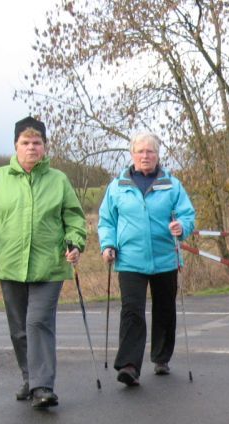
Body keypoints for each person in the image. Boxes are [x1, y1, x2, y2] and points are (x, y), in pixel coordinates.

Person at [0, 116, 86, 409]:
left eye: (37, 142)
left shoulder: (58, 180)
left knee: (38, 321)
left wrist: (75, 242)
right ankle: (29, 377)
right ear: (16, 146)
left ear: (45, 146)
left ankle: (43, 386)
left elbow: (74, 218)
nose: (31, 148)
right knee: (19, 328)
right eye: (25, 143)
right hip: (11, 264)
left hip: (50, 264)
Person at [98, 132, 196, 386]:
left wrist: (181, 227)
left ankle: (161, 357)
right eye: (140, 151)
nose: (145, 156)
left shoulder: (172, 185)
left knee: (165, 309)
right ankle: (129, 365)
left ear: (157, 155)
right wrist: (108, 245)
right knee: (132, 311)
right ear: (132, 155)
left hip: (165, 257)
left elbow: (188, 215)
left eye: (150, 151)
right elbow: (107, 220)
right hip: (130, 258)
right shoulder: (117, 186)